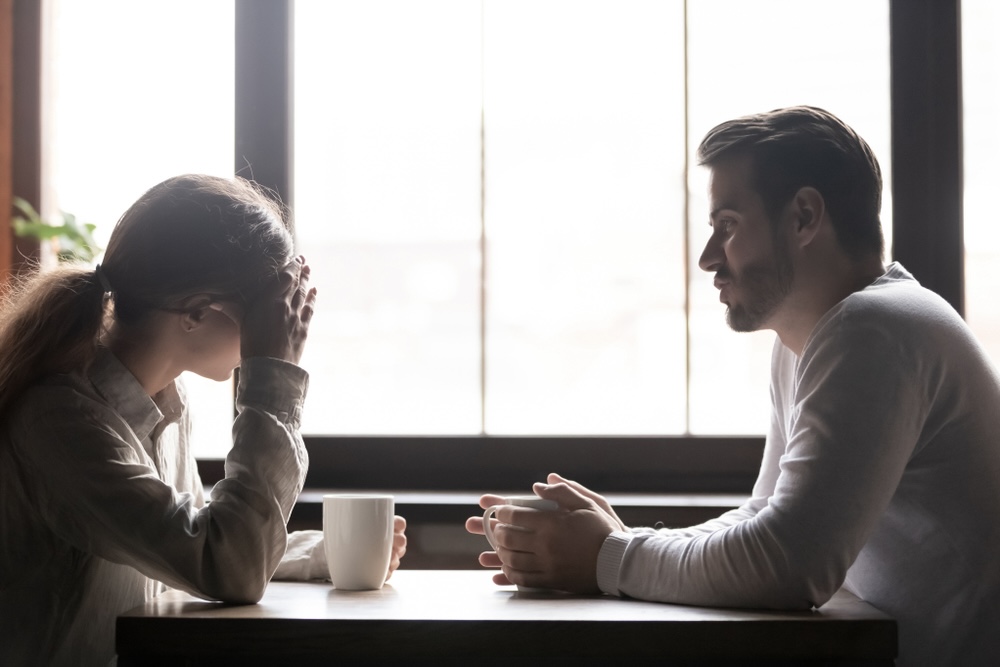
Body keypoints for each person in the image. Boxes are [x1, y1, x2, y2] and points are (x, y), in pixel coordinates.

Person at [466, 106, 1000, 666]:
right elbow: (765, 518)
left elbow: (789, 566)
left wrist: (608, 555)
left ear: (803, 217)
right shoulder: (813, 342)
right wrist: (618, 540)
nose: (707, 259)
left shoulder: (874, 329)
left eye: (728, 226)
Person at [0, 174, 407, 667]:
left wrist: (326, 554)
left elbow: (194, 540)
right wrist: (273, 378)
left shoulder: (166, 400)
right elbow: (226, 566)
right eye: (269, 311)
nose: (283, 327)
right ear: (195, 312)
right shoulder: (62, 423)